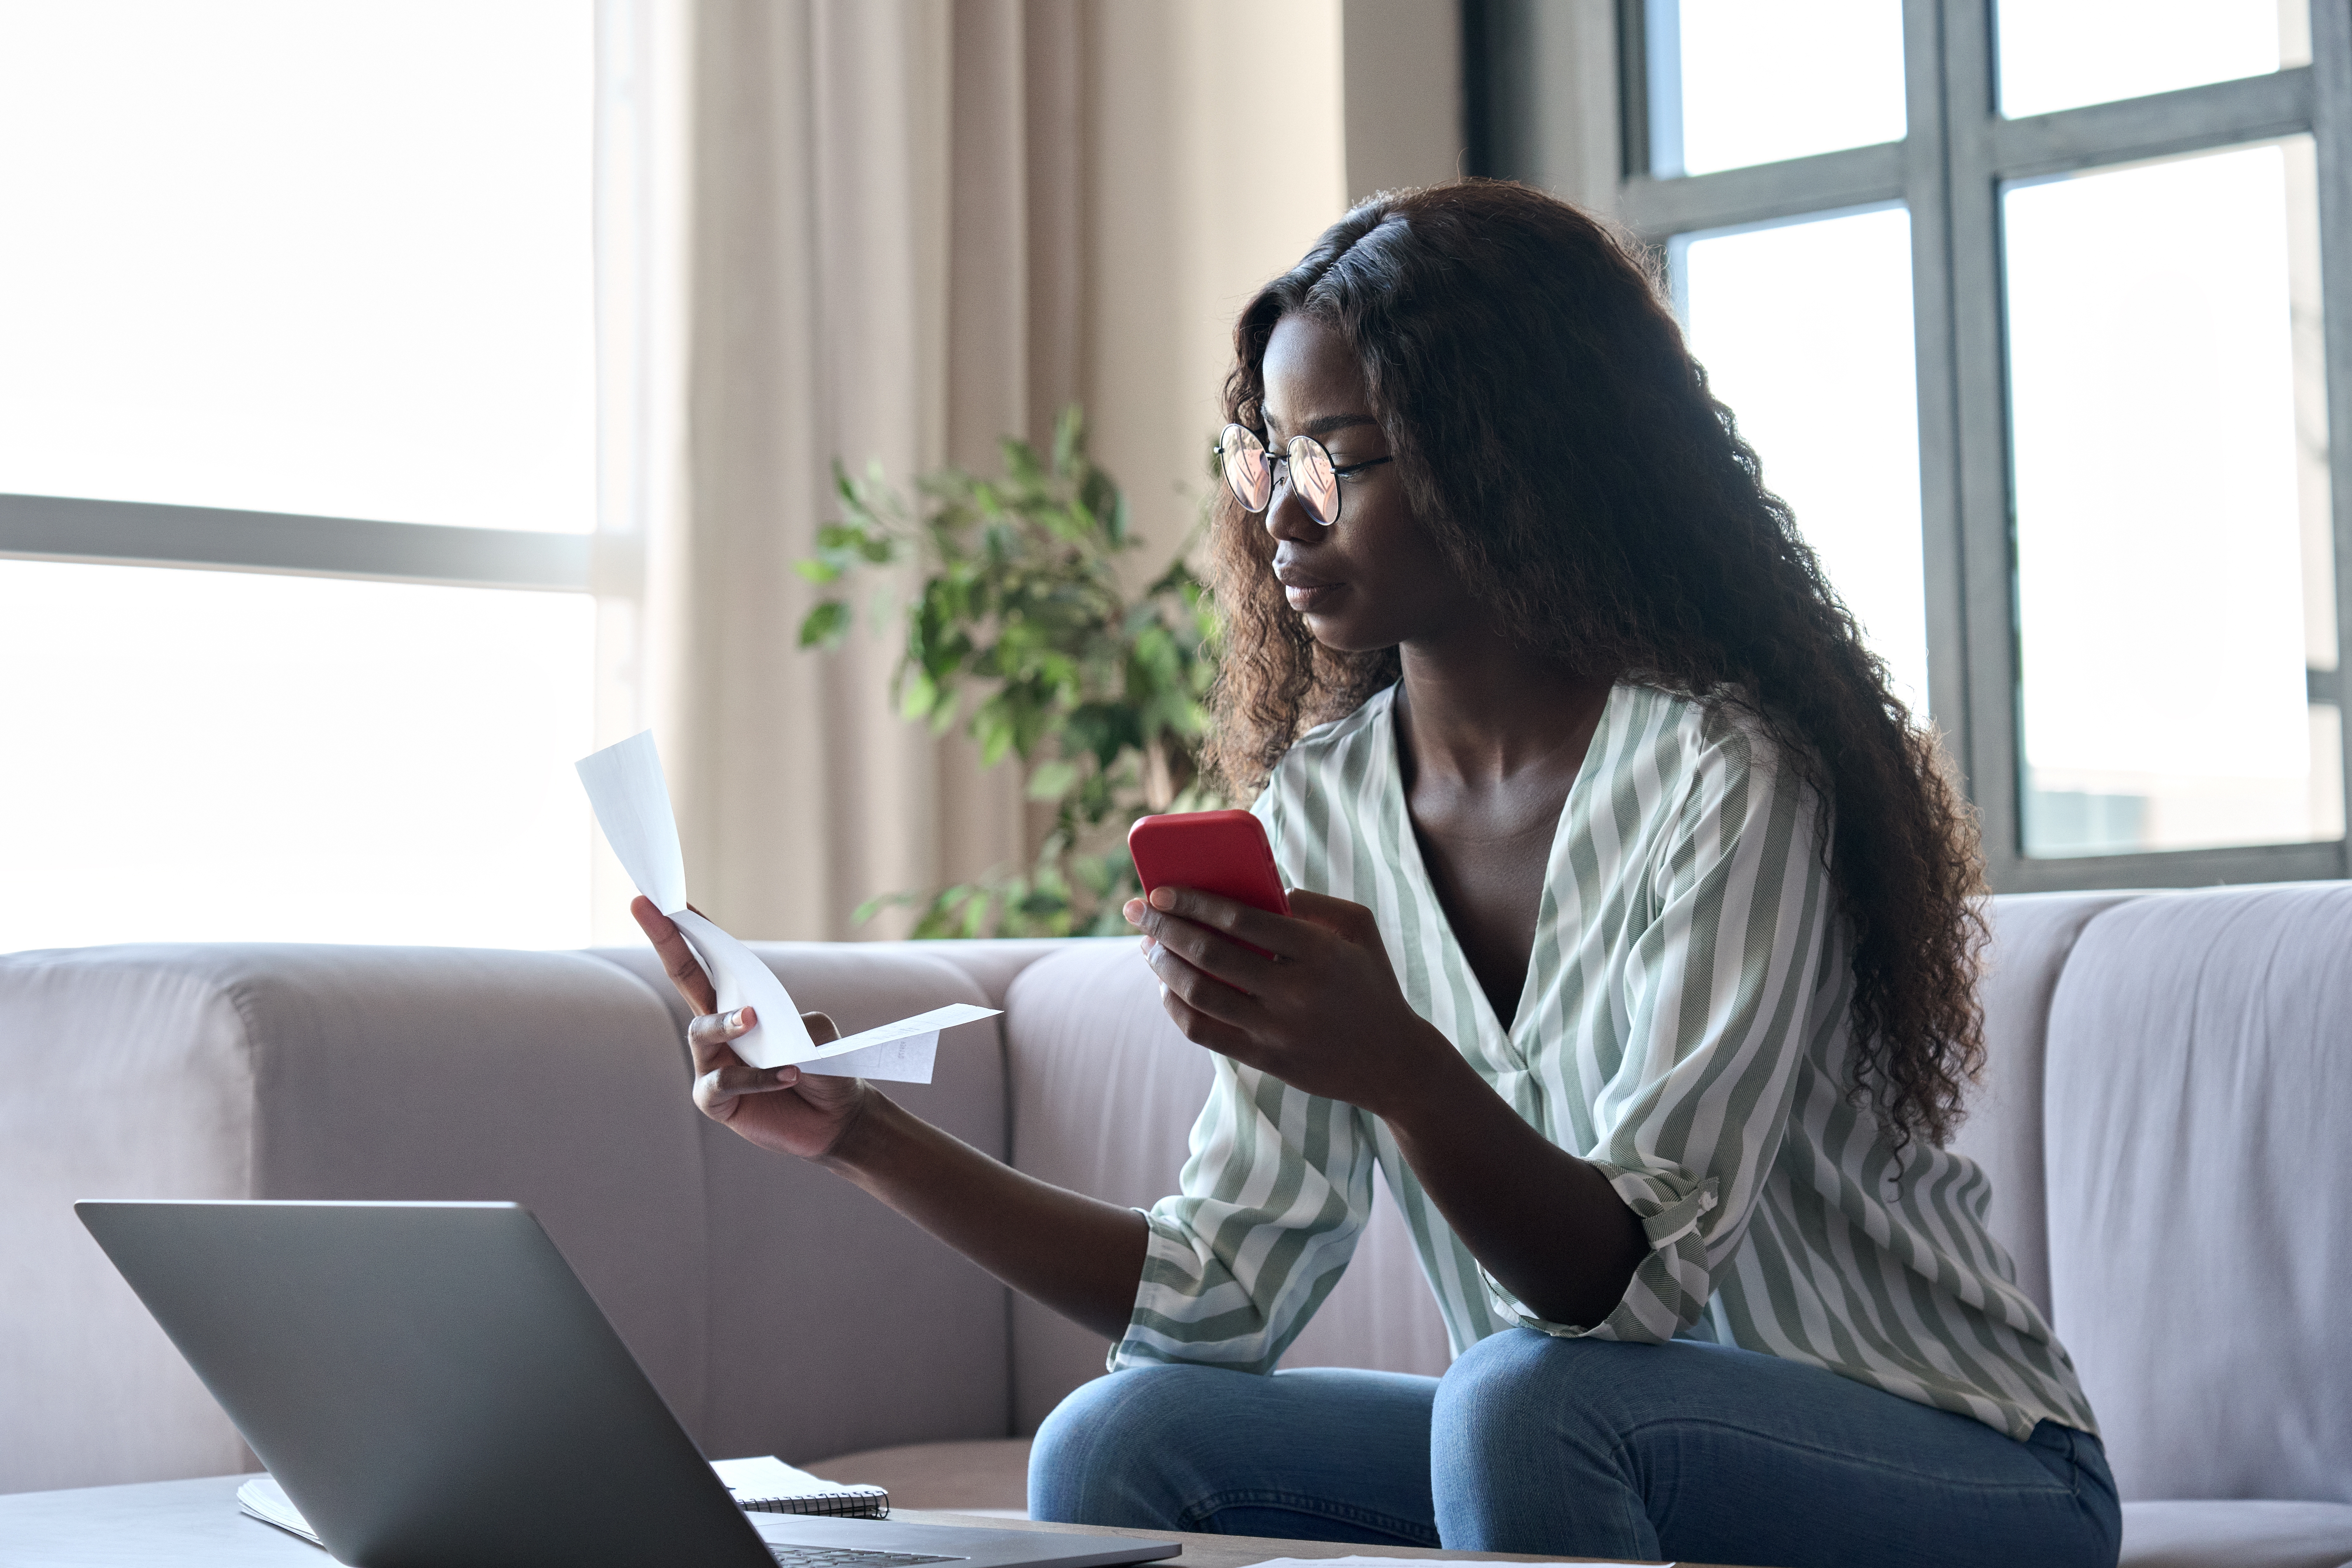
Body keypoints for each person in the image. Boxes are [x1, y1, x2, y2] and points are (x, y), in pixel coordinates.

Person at [633, 180, 2118, 1568]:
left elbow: (1634, 1286)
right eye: (1264, 456)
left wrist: (1397, 1066)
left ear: (1509, 453)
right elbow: (1218, 1292)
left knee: (1522, 1399)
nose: (1278, 511)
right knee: (1121, 1436)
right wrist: (864, 1135)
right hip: (1580, 1422)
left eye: (1333, 459)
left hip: (1962, 1458)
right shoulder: (1328, 808)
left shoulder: (1727, 773)